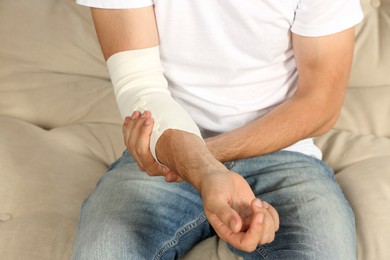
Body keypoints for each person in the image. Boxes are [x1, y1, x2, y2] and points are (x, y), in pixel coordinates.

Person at [72, 0, 363, 259]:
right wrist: (201, 167)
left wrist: (199, 160)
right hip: (168, 153)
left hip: (279, 155)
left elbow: (320, 104)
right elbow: (140, 86)